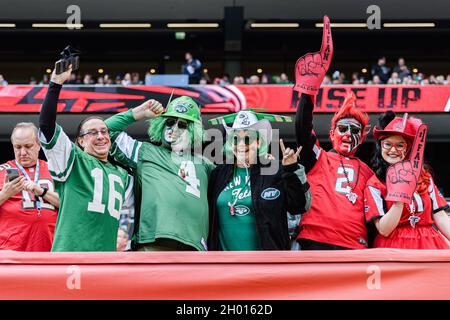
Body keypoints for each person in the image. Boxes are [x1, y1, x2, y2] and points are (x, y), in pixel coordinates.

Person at [293, 16, 374, 250]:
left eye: (355, 130)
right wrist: (308, 92)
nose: (348, 134)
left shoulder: (368, 173)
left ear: (362, 138)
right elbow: (302, 130)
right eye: (343, 128)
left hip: (355, 248)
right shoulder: (319, 158)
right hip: (315, 241)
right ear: (332, 132)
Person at [38, 64, 134, 251]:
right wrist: (55, 83)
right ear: (81, 141)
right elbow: (46, 126)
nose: (100, 136)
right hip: (70, 257)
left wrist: (136, 114)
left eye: (104, 131)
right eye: (92, 132)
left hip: (104, 261)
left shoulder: (122, 174)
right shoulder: (73, 161)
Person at [105, 96, 215, 251]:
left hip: (195, 245)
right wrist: (137, 113)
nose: (174, 128)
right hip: (154, 241)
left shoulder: (206, 164)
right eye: (170, 122)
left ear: (193, 130)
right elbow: (104, 131)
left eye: (182, 124)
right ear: (161, 125)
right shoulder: (146, 151)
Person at [207, 110, 311, 250]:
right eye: (236, 139)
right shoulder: (217, 174)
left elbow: (300, 206)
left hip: (265, 266)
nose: (242, 144)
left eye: (248, 139)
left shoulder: (274, 172)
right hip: (224, 266)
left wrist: (292, 169)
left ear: (258, 142)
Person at [365, 111, 450, 249]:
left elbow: (440, 216)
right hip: (394, 247)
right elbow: (384, 230)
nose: (393, 150)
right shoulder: (374, 184)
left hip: (429, 244)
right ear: (381, 146)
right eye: (387, 144)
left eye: (400, 145)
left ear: (409, 148)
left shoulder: (424, 176)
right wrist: (400, 194)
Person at [0, 123, 59, 251]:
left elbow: (70, 205)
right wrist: (4, 194)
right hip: (11, 252)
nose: (23, 152)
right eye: (18, 147)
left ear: (39, 145)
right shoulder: (2, 171)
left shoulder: (55, 171)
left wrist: (42, 192)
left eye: (28, 146)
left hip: (51, 249)